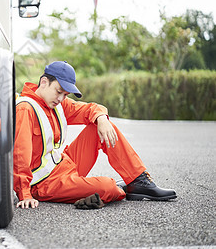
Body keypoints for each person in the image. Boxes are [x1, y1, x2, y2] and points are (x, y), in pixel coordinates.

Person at [14, 61, 177, 209]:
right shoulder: (26, 109)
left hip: (64, 165)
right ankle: (121, 188)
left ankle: (138, 181)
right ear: (44, 82)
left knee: (100, 126)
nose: (61, 98)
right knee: (108, 188)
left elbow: (89, 109)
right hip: (46, 183)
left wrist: (101, 118)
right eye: (59, 91)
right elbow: (20, 155)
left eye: (65, 95)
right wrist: (25, 194)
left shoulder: (57, 103)